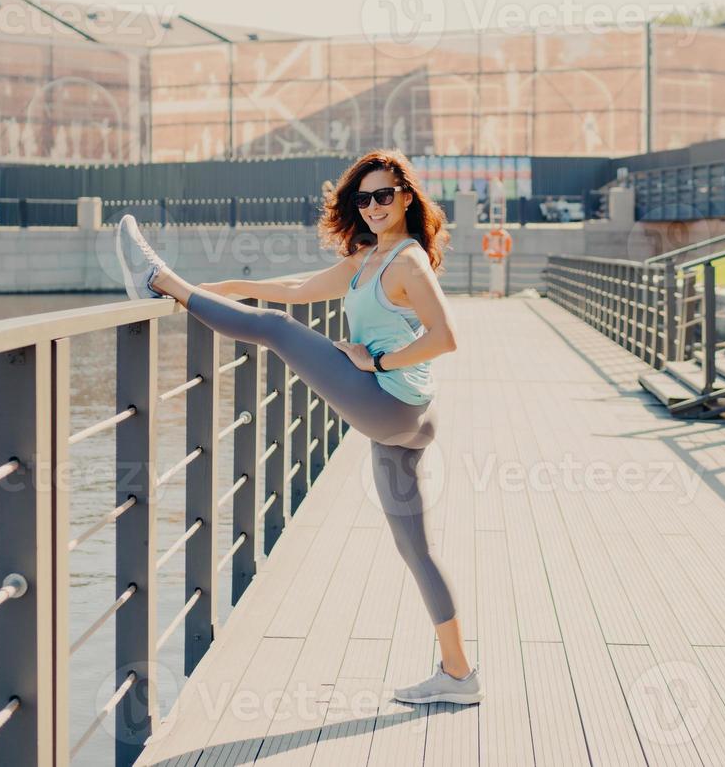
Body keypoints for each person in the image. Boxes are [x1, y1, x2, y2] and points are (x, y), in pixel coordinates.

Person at [114, 149, 484, 706]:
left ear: (407, 197)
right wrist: (226, 287)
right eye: (364, 199)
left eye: (385, 195)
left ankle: (158, 278)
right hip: (407, 418)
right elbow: (293, 289)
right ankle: (460, 677)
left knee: (276, 331)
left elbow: (446, 336)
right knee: (417, 550)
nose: (375, 206)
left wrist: (377, 363)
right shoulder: (366, 260)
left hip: (391, 401)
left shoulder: (408, 261)